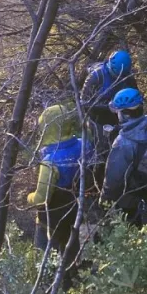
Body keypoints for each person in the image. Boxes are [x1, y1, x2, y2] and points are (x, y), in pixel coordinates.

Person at [27, 104, 87, 264]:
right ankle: (72, 277)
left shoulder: (49, 162)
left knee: (44, 257)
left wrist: (29, 197)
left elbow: (41, 199)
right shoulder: (83, 145)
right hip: (75, 209)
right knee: (71, 248)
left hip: (51, 219)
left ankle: (48, 283)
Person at [101, 88, 147, 219]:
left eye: (118, 111)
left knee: (127, 220)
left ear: (125, 114)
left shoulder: (123, 143)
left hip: (131, 196)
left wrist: (104, 200)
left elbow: (113, 180)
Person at [80, 49, 136, 188]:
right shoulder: (96, 76)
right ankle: (98, 183)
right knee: (100, 152)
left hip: (119, 119)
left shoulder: (127, 75)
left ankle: (121, 177)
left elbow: (135, 95)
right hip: (97, 120)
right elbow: (84, 103)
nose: (118, 78)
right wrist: (107, 107)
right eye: (115, 75)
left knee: (119, 148)